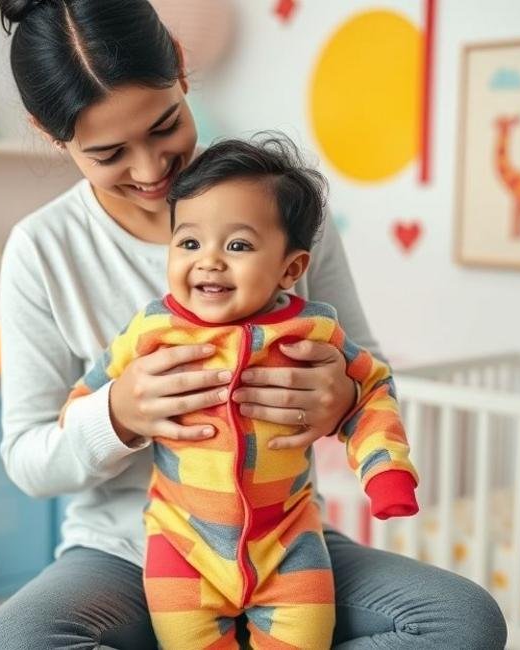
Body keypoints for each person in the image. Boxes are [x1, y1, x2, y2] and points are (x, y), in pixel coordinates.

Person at [0, 1, 508, 648]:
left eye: (165, 125)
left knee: (463, 621)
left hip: (282, 532)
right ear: (48, 133)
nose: (151, 172)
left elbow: (368, 368)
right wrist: (117, 412)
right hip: (123, 553)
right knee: (15, 642)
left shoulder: (277, 207)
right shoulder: (43, 249)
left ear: (178, 65)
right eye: (109, 153)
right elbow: (29, 460)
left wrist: (340, 398)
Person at [59, 135, 420, 649]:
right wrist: (116, 410)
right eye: (188, 243)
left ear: (291, 269)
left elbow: (373, 388)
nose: (208, 261)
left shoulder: (313, 331)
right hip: (181, 548)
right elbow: (76, 408)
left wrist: (386, 474)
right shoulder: (150, 330)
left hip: (289, 543)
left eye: (238, 245)